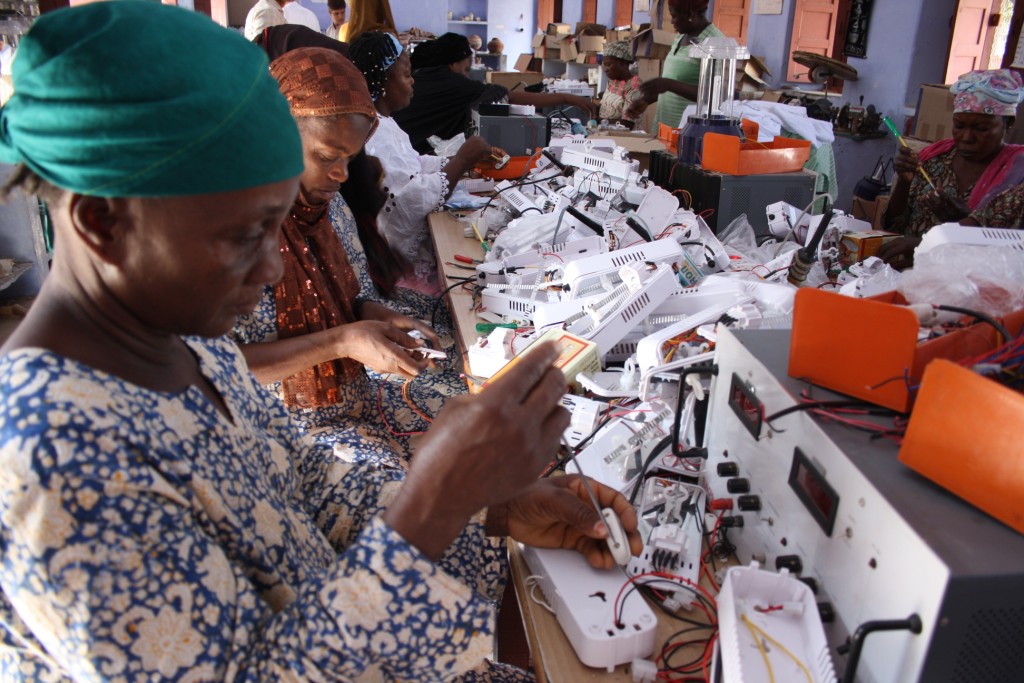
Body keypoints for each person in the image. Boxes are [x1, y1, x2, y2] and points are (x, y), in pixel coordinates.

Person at [0, 3, 641, 681]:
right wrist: (436, 498)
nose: (274, 267)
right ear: (102, 221)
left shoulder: (183, 344)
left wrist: (495, 509)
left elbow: (303, 482)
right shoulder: (52, 461)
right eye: (246, 235)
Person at [231, 47, 457, 471]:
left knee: (478, 433)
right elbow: (215, 366)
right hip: (286, 433)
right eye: (326, 156)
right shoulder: (226, 228)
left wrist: (377, 317)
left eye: (349, 158)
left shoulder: (327, 208)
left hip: (352, 399)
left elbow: (350, 300)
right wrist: (343, 341)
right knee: (421, 500)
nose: (341, 175)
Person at [350, 31, 494, 295]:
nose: (413, 81)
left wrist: (452, 162)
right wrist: (461, 160)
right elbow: (408, 198)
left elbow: (412, 163)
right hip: (398, 271)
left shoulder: (383, 122)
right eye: (406, 75)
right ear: (382, 81)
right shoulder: (377, 133)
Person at [880, 69, 1024, 265]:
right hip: (905, 278)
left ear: (1008, 123)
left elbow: (1011, 253)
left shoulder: (1017, 175)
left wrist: (964, 220)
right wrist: (903, 185)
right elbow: (893, 226)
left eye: (981, 128)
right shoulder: (933, 160)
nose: (967, 137)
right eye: (959, 125)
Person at [393, 32, 597, 154]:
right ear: (454, 63)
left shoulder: (425, 75)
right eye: (466, 69)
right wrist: (567, 97)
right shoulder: (454, 85)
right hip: (410, 155)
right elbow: (511, 96)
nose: (467, 75)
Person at [624, 0, 725, 130]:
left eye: (675, 16)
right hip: (663, 127)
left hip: (686, 132)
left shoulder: (715, 43)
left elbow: (714, 95)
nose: (672, 22)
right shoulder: (681, 37)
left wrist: (668, 84)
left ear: (691, 15)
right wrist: (646, 100)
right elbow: (677, 84)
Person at [599, 40, 642, 128]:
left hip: (625, 137)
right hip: (607, 132)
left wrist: (599, 121)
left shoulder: (634, 85)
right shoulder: (612, 81)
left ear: (623, 63)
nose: (605, 69)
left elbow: (627, 123)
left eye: (609, 64)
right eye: (604, 65)